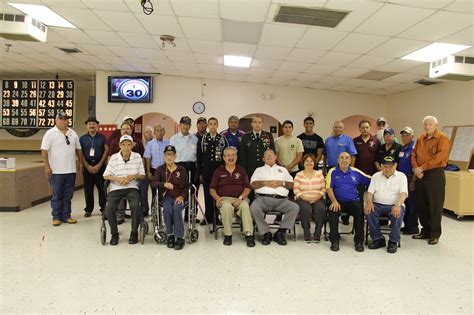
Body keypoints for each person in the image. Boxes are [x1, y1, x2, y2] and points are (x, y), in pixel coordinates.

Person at [411, 116, 450, 245]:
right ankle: (425, 231)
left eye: (430, 124)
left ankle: (434, 233)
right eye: (426, 124)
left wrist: (421, 168)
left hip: (435, 174)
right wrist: (416, 168)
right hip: (420, 174)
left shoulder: (442, 138)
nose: (428, 127)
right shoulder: (420, 138)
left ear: (436, 126)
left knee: (435, 205)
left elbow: (440, 157)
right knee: (421, 204)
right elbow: (414, 154)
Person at [41, 111, 83, 226]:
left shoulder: (72, 133)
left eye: (66, 119)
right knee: (57, 195)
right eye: (61, 119)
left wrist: (80, 163)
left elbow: (78, 149)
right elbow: (44, 151)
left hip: (70, 170)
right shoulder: (50, 133)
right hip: (56, 171)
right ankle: (56, 216)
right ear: (56, 120)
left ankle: (66, 216)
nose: (64, 121)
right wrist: (47, 167)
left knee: (68, 195)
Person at [250, 149, 299, 246]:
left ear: (276, 157)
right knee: (253, 207)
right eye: (266, 155)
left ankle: (280, 232)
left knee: (295, 207)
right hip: (262, 199)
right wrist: (265, 182)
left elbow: (291, 185)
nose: (269, 156)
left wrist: (282, 183)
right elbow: (253, 184)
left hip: (281, 200)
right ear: (263, 159)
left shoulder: (283, 170)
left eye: (271, 154)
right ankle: (266, 233)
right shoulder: (258, 170)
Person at [103, 135, 146, 245]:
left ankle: (134, 232)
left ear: (132, 145)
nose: (126, 147)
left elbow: (142, 174)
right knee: (110, 207)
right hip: (116, 187)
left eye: (128, 145)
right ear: (119, 146)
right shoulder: (114, 157)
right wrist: (118, 179)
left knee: (136, 205)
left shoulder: (137, 157)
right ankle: (114, 233)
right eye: (123, 145)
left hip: (132, 187)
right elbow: (106, 175)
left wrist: (131, 177)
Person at [210, 147, 255, 247]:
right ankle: (228, 235)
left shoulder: (241, 170)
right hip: (224, 199)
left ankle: (249, 234)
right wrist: (217, 198)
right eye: (228, 155)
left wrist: (240, 198)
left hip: (239, 198)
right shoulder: (218, 171)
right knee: (226, 207)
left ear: (236, 157)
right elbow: (212, 189)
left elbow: (247, 188)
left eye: (233, 155)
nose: (231, 157)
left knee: (245, 206)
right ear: (224, 158)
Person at [326, 152, 371, 252]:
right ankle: (334, 240)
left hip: (353, 202)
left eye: (347, 158)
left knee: (359, 211)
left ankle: (359, 241)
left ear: (350, 161)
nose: (344, 160)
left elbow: (371, 180)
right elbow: (329, 188)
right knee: (333, 211)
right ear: (338, 160)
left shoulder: (356, 172)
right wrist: (333, 201)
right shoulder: (332, 171)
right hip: (337, 201)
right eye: (341, 158)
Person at [364, 156, 408, 254]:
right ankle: (378, 239)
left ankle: (393, 241)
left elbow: (404, 193)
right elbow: (370, 193)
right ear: (381, 166)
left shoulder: (401, 176)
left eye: (390, 167)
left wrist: (398, 205)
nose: (387, 169)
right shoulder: (376, 176)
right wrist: (369, 202)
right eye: (385, 166)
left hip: (395, 204)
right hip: (377, 204)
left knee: (398, 213)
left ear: (395, 166)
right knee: (369, 211)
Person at [151, 145, 188, 250]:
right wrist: (164, 184)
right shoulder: (160, 169)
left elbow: (186, 186)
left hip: (179, 196)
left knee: (176, 208)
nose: (169, 157)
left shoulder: (181, 170)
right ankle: (170, 235)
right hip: (166, 196)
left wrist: (182, 196)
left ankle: (180, 237)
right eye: (167, 155)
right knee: (167, 209)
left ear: (175, 156)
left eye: (171, 155)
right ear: (164, 156)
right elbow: (153, 183)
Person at [107, 121, 146, 220]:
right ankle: (120, 215)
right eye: (123, 129)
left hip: (133, 173)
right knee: (117, 194)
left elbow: (142, 158)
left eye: (128, 128)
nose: (125, 130)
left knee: (134, 198)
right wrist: (116, 178)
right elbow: (109, 156)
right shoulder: (114, 142)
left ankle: (134, 217)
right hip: (118, 174)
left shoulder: (138, 142)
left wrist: (133, 176)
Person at [324, 120, 357, 225]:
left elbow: (353, 155)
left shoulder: (348, 140)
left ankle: (345, 217)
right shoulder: (328, 140)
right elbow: (325, 155)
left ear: (343, 129)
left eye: (340, 127)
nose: (337, 129)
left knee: (343, 190)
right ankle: (332, 213)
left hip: (344, 170)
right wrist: (324, 168)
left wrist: (350, 169)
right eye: (336, 127)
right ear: (333, 128)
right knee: (330, 191)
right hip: (331, 169)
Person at [197, 117, 228, 225]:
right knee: (207, 194)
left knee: (218, 195)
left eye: (215, 124)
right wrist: (200, 172)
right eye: (210, 124)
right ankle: (208, 216)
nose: (213, 126)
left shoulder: (222, 138)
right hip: (207, 172)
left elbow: (226, 155)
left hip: (219, 172)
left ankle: (217, 217)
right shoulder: (203, 139)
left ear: (218, 125)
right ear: (208, 126)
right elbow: (199, 157)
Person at [169, 116, 199, 223]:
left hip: (191, 166)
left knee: (193, 191)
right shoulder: (174, 139)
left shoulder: (195, 139)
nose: (185, 126)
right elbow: (170, 155)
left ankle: (190, 215)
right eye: (183, 124)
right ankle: (176, 214)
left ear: (190, 126)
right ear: (180, 125)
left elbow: (197, 155)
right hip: (179, 167)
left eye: (187, 124)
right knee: (179, 190)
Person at [293, 154, 326, 243]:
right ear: (303, 163)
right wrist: (306, 198)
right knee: (306, 209)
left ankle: (317, 234)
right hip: (302, 198)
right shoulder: (298, 175)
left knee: (320, 208)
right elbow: (296, 190)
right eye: (307, 161)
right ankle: (306, 233)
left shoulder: (319, 174)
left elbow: (323, 189)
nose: (309, 163)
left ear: (314, 163)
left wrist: (317, 197)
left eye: (311, 161)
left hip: (318, 197)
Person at [79, 116, 108, 218]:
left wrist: (99, 165)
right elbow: (80, 153)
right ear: (87, 126)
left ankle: (104, 208)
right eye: (89, 124)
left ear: (97, 126)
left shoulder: (102, 137)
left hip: (100, 167)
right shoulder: (82, 139)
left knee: (102, 189)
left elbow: (106, 150)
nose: (92, 126)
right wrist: (86, 166)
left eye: (94, 124)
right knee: (88, 189)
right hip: (87, 167)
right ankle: (88, 209)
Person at [239, 114, 275, 180]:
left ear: (262, 124)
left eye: (259, 122)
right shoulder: (245, 136)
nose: (257, 124)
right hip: (250, 169)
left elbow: (273, 152)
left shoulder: (268, 135)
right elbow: (242, 155)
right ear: (251, 124)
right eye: (255, 122)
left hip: (265, 167)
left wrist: (271, 166)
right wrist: (243, 170)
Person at [397, 126, 419, 235]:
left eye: (407, 135)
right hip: (402, 178)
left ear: (412, 136)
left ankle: (413, 227)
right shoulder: (403, 148)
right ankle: (407, 226)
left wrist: (413, 181)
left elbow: (417, 165)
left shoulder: (415, 147)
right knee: (405, 203)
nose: (404, 137)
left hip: (411, 178)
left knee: (412, 204)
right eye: (403, 135)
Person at [144, 124, 169, 203]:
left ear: (164, 132)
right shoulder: (150, 144)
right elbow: (148, 158)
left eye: (161, 130)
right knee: (154, 192)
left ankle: (165, 210)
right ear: (154, 132)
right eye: (157, 131)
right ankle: (155, 211)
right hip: (154, 170)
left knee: (165, 191)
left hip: (166, 170)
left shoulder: (169, 142)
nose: (159, 132)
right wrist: (148, 171)